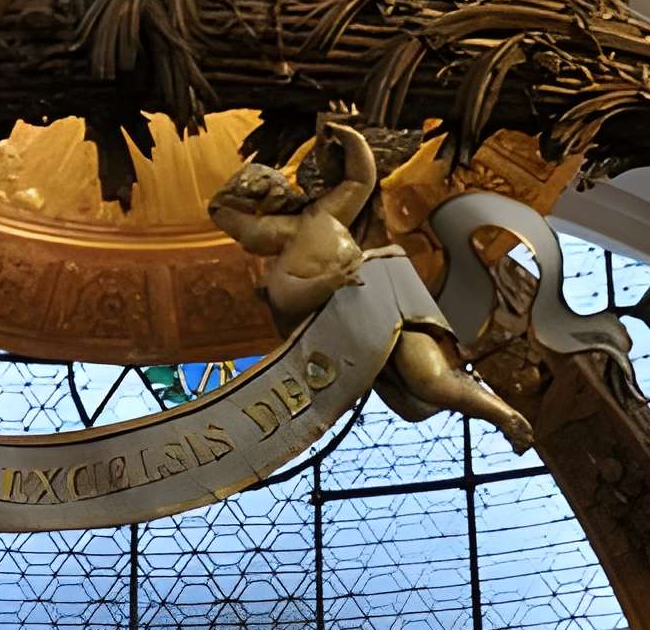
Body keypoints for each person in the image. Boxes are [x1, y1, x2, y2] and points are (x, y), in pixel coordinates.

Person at [208, 108, 534, 449]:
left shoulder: (323, 213)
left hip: (380, 292)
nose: (246, 238)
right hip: (348, 322)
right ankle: (499, 413)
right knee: (422, 381)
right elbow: (225, 215)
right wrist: (328, 281)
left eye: (270, 189)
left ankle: (504, 416)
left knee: (429, 376)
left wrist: (352, 140)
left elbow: (360, 179)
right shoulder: (275, 259)